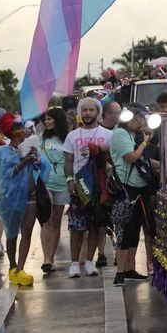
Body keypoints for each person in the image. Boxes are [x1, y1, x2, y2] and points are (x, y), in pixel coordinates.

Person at [63, 97, 113, 278]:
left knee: (95, 225)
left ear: (97, 112)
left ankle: (90, 261)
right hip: (79, 186)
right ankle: (75, 263)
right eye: (84, 110)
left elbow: (114, 160)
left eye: (91, 110)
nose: (88, 113)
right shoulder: (72, 136)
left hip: (99, 187)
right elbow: (68, 162)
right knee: (76, 227)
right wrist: (70, 181)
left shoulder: (108, 134)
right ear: (79, 112)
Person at [108, 102, 155, 285]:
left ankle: (129, 268)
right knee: (124, 230)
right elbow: (132, 157)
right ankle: (120, 271)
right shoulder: (120, 133)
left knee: (135, 229)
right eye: (141, 117)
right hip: (125, 189)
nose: (143, 122)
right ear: (133, 117)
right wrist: (144, 142)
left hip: (139, 187)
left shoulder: (133, 134)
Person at [20, 107, 72, 274]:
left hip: (63, 184)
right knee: (46, 221)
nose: (47, 122)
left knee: (56, 221)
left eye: (50, 119)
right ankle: (46, 259)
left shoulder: (68, 138)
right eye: (45, 119)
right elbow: (25, 152)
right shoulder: (40, 138)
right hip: (45, 184)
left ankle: (51, 256)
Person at [0, 116, 38, 286]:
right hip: (11, 199)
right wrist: (25, 160)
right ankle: (12, 267)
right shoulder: (4, 151)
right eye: (18, 128)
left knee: (27, 232)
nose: (22, 131)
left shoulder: (31, 147)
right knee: (11, 234)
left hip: (31, 196)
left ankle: (21, 268)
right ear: (11, 132)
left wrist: (35, 157)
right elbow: (8, 173)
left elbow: (40, 167)